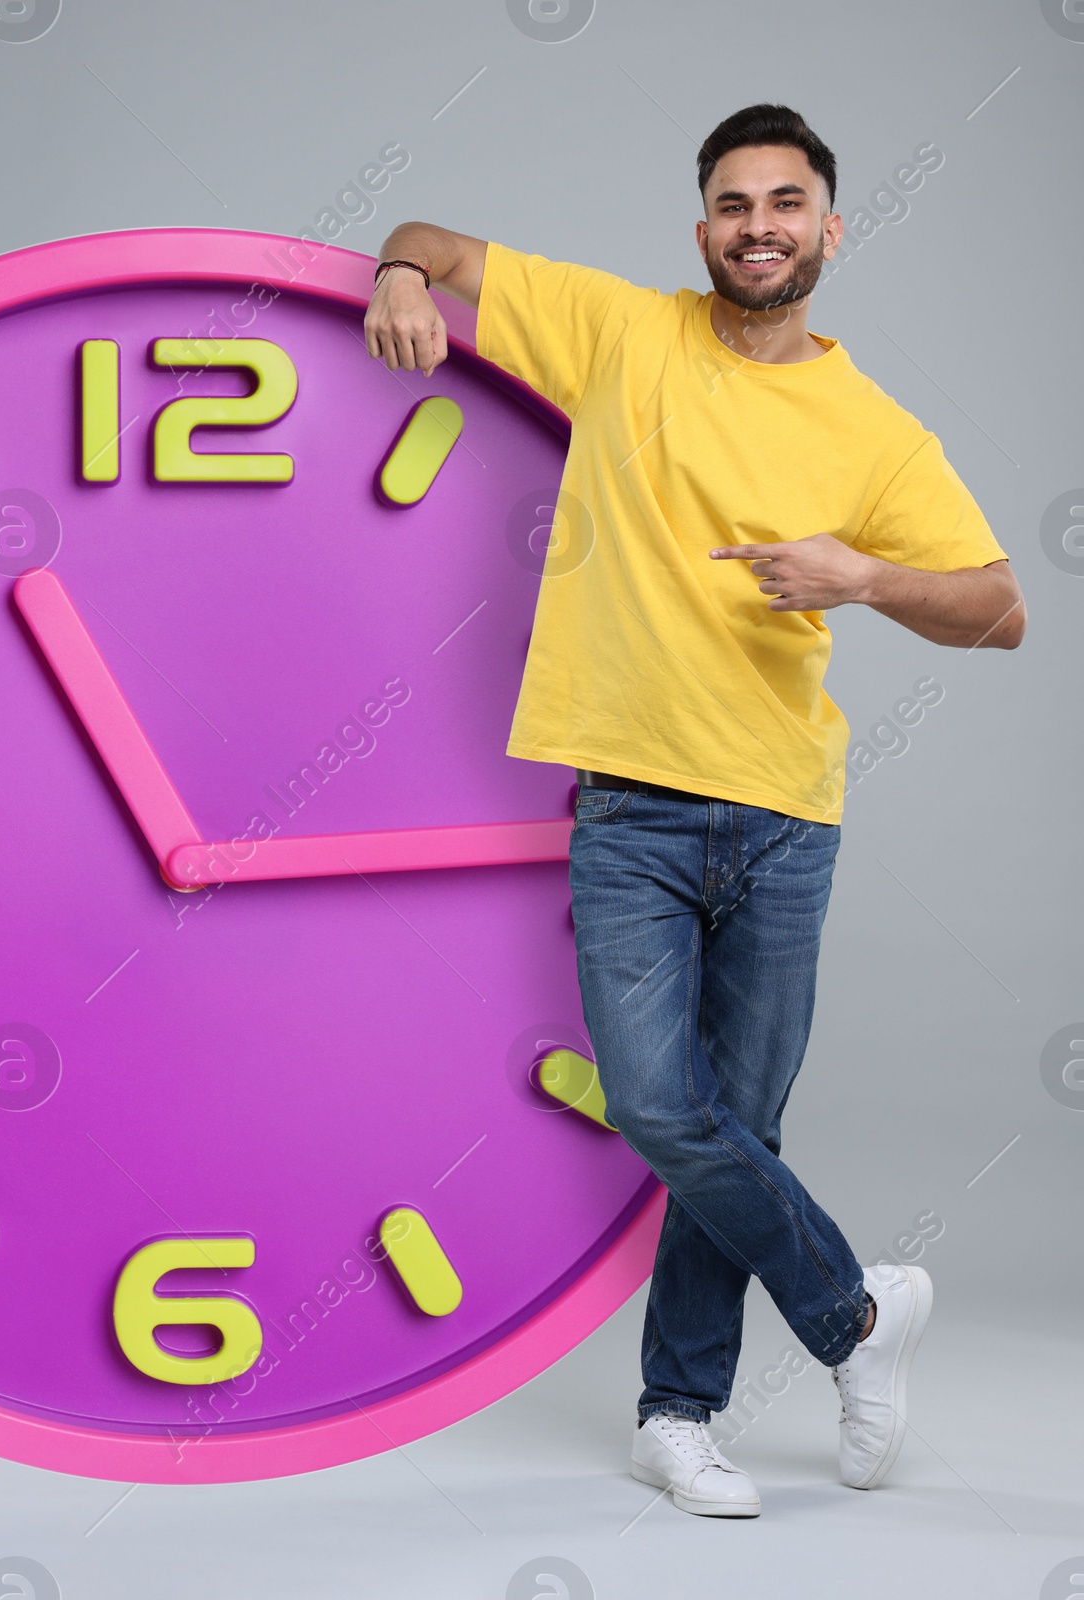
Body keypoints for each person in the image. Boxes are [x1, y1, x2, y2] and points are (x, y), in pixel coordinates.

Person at [362, 102, 1024, 1519]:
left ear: (831, 231)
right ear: (703, 227)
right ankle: (854, 1314)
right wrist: (402, 282)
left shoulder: (874, 428)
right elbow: (423, 239)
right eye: (733, 203)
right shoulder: (622, 330)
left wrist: (863, 578)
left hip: (786, 817)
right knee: (665, 1108)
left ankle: (680, 1410)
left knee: (744, 1131)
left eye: (787, 203)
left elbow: (1000, 609)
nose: (760, 226)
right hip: (632, 814)